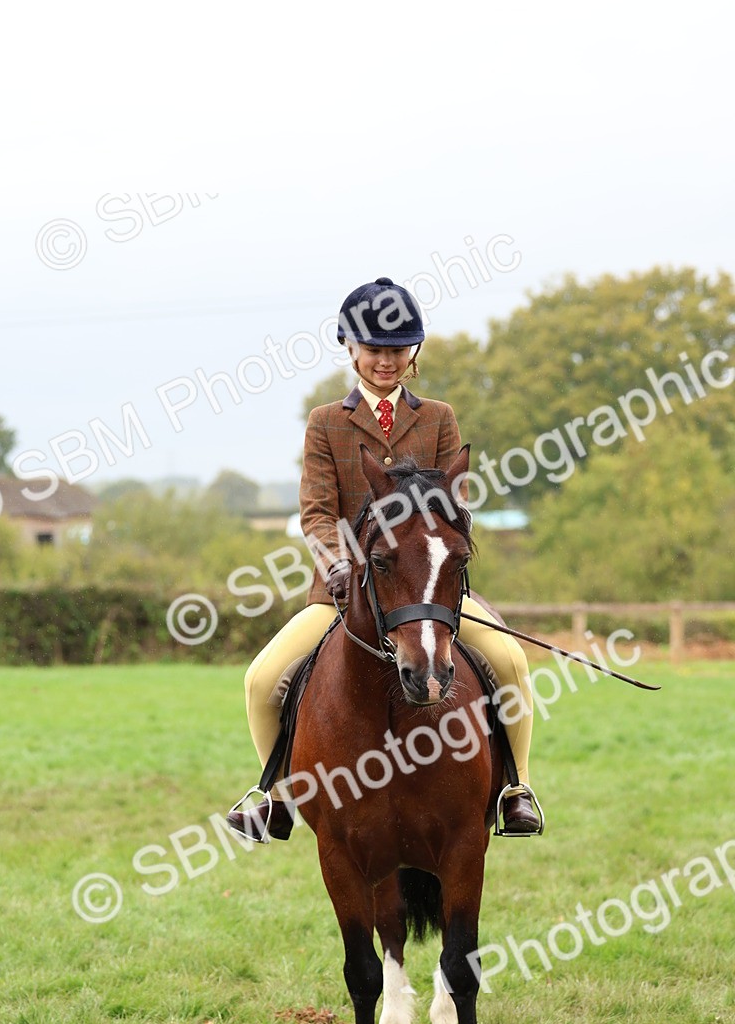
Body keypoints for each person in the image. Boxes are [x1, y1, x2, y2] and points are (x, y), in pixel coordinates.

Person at [226, 277, 541, 842]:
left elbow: (453, 508)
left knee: (511, 662)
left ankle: (517, 788)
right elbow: (317, 513)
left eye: (397, 350)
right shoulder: (326, 423)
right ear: (350, 348)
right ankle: (273, 794)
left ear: (413, 353)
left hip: (428, 594)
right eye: (374, 350)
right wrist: (342, 565)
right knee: (261, 679)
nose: (385, 362)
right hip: (345, 593)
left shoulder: (440, 418)